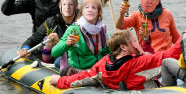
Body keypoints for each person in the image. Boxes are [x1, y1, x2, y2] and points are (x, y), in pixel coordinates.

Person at [49, 30, 183, 90]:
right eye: (134, 41)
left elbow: (84, 76)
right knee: (167, 62)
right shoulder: (137, 63)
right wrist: (183, 38)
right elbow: (169, 55)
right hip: (163, 90)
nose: (136, 43)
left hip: (127, 87)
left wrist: (60, 81)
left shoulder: (105, 62)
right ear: (124, 47)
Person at [51, 0, 111, 74]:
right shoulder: (73, 29)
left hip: (98, 71)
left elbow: (110, 51)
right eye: (86, 7)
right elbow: (54, 52)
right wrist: (67, 43)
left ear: (98, 12)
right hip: (78, 72)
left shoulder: (103, 29)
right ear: (82, 11)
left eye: (93, 7)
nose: (90, 10)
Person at [17, 0, 78, 64]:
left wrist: (58, 42)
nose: (67, 7)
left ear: (76, 6)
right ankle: (48, 64)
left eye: (71, 4)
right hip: (56, 58)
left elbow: (81, 50)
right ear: (59, 5)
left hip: (75, 57)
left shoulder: (81, 22)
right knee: (47, 41)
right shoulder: (51, 22)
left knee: (59, 61)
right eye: (64, 4)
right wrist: (25, 48)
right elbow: (32, 40)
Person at [115, 0, 180, 52]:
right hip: (146, 57)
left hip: (166, 57)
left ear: (158, 1)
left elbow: (176, 39)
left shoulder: (167, 14)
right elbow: (120, 26)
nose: (149, 1)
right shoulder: (137, 15)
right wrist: (122, 14)